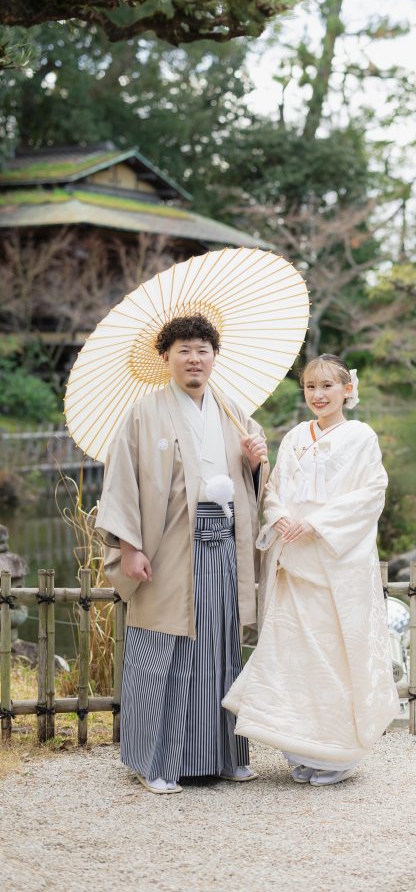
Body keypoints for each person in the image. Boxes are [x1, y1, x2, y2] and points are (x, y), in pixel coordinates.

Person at [95, 313, 268, 795]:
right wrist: (130, 548)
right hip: (168, 546)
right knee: (163, 650)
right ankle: (155, 762)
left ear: (215, 357)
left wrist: (256, 463)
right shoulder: (142, 413)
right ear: (166, 358)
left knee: (220, 646)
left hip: (223, 543)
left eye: (202, 350)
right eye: (184, 350)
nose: (194, 359)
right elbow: (122, 484)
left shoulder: (233, 411)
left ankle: (224, 756)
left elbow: (258, 485)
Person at [223, 354, 398, 786]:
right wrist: (280, 513)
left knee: (332, 657)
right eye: (310, 388)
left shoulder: (361, 437)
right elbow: (277, 487)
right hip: (293, 560)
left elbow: (370, 494)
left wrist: (317, 523)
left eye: (327, 386)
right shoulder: (297, 436)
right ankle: (300, 750)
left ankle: (337, 755)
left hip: (334, 562)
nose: (318, 395)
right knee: (291, 657)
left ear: (347, 390)